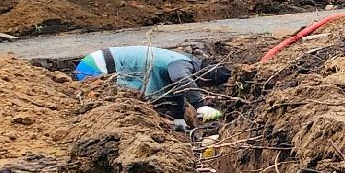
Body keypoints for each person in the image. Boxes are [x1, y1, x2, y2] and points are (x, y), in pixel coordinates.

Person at [75, 46, 230, 128]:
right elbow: (181, 78)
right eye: (202, 84)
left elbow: (176, 95)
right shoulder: (181, 63)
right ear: (205, 77)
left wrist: (179, 122)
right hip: (96, 67)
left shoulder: (179, 64)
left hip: (97, 63)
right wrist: (200, 105)